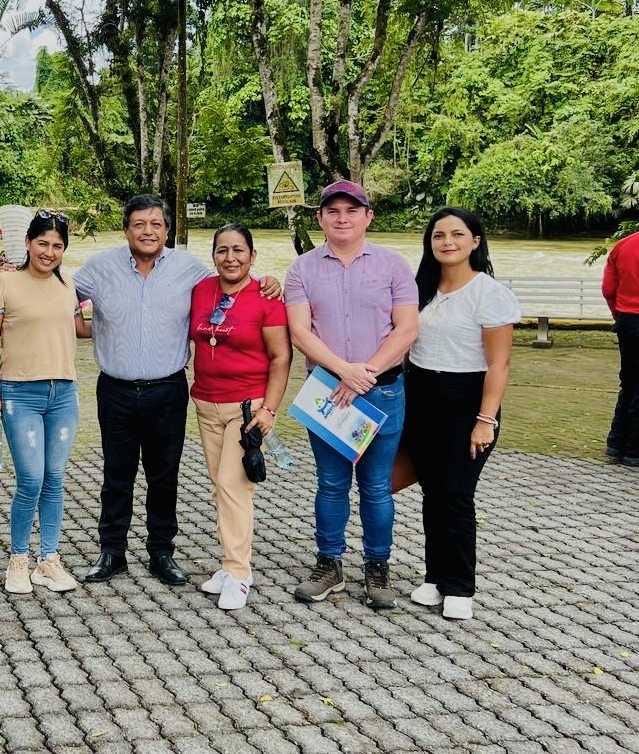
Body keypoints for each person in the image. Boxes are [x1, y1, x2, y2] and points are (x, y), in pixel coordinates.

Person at [72, 195, 282, 586]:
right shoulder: (100, 267)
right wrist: (19, 274)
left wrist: (269, 282)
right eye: (139, 224)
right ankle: (112, 552)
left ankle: (161, 553)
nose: (147, 231)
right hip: (115, 389)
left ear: (167, 231)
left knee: (164, 475)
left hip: (167, 390)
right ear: (126, 229)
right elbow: (58, 290)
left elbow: (232, 280)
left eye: (156, 224)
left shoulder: (190, 270)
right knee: (116, 474)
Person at [285, 180, 418, 610]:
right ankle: (329, 564)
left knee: (377, 486)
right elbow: (300, 331)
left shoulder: (394, 265)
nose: (342, 219)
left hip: (382, 390)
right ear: (320, 218)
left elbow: (407, 329)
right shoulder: (301, 269)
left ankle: (377, 567)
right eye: (333, 211)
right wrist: (344, 371)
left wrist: (366, 372)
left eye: (352, 210)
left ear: (368, 217)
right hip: (328, 391)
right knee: (330, 483)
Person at [403, 207, 519, 621]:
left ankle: (459, 586)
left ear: (475, 241)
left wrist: (485, 420)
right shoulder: (420, 288)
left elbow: (499, 364)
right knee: (432, 492)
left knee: (455, 493)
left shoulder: (489, 293)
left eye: (457, 234)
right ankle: (435, 577)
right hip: (420, 395)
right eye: (438, 235)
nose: (447, 242)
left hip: (467, 400)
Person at [188, 224, 291, 610]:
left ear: (252, 255)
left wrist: (269, 409)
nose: (230, 258)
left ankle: (239, 571)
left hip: (247, 408)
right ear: (213, 255)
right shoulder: (202, 290)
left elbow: (281, 357)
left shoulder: (266, 297)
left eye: (238, 250)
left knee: (234, 485)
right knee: (220, 485)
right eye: (222, 250)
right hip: (206, 403)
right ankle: (229, 563)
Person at [0, 211, 81, 596]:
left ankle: (49, 559)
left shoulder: (68, 285)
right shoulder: (4, 283)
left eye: (57, 246)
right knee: (32, 479)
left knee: (54, 477)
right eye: (42, 243)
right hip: (19, 394)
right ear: (27, 243)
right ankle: (18, 558)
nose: (49, 252)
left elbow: (79, 328)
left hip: (64, 394)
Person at [603, 228, 639, 467]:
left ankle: (616, 444)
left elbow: (608, 289)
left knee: (628, 382)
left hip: (627, 320)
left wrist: (618, 314)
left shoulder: (623, 245)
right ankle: (634, 449)